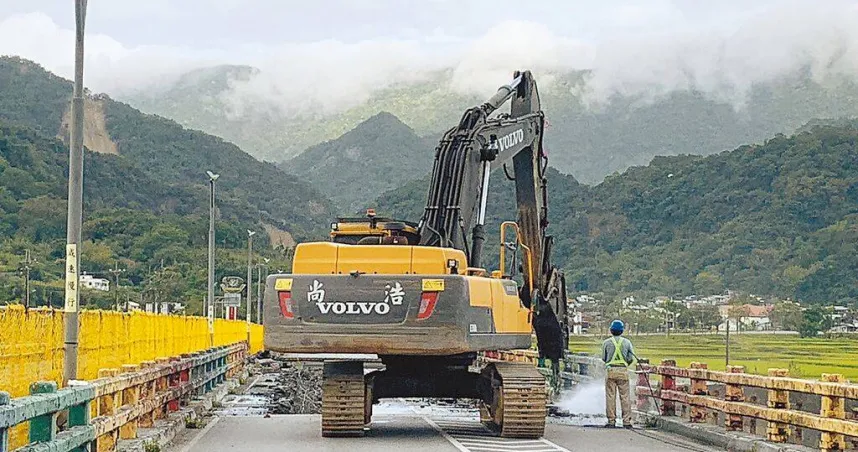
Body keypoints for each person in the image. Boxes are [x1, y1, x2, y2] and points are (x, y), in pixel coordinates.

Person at [601, 319, 635, 428]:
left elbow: (604, 358)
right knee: (625, 397)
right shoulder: (627, 342)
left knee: (611, 396)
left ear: (611, 330)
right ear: (622, 331)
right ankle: (626, 421)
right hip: (623, 371)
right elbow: (630, 358)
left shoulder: (606, 343)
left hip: (611, 371)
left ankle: (611, 421)